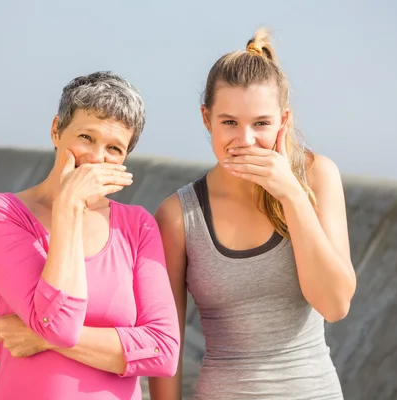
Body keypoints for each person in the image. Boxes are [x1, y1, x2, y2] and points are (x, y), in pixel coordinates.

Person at [148, 29, 356, 399]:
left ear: (283, 121)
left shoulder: (318, 177)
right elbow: (168, 345)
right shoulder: (179, 216)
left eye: (260, 123)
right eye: (229, 122)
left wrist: (291, 195)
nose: (244, 140)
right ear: (206, 119)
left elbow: (335, 304)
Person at [0, 71, 180, 400]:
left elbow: (163, 351)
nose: (97, 158)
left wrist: (39, 337)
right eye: (86, 137)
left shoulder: (137, 225)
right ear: (56, 130)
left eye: (114, 148)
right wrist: (68, 205)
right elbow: (59, 325)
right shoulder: (1, 212)